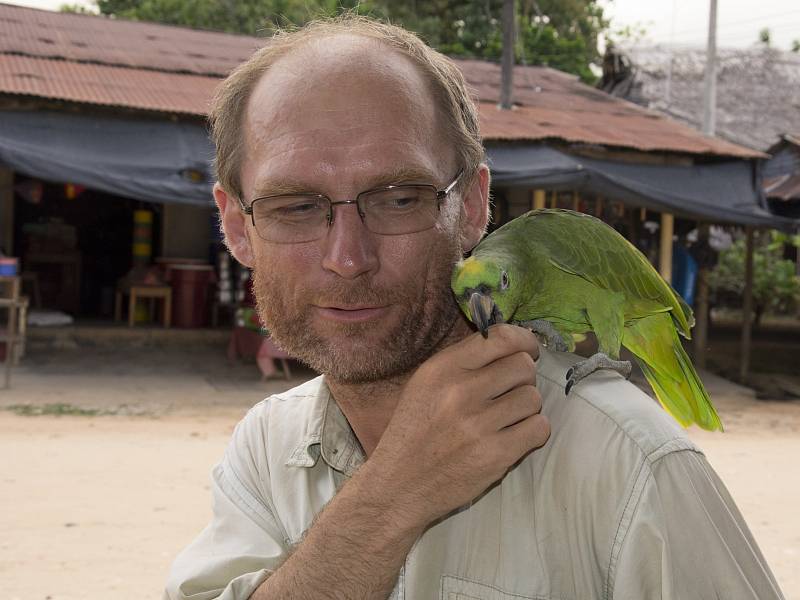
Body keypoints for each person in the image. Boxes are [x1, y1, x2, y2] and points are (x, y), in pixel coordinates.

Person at [165, 15, 784, 600]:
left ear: (473, 208)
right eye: (295, 206)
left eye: (400, 198)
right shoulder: (267, 448)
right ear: (235, 227)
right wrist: (391, 496)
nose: (347, 258)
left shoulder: (628, 463)